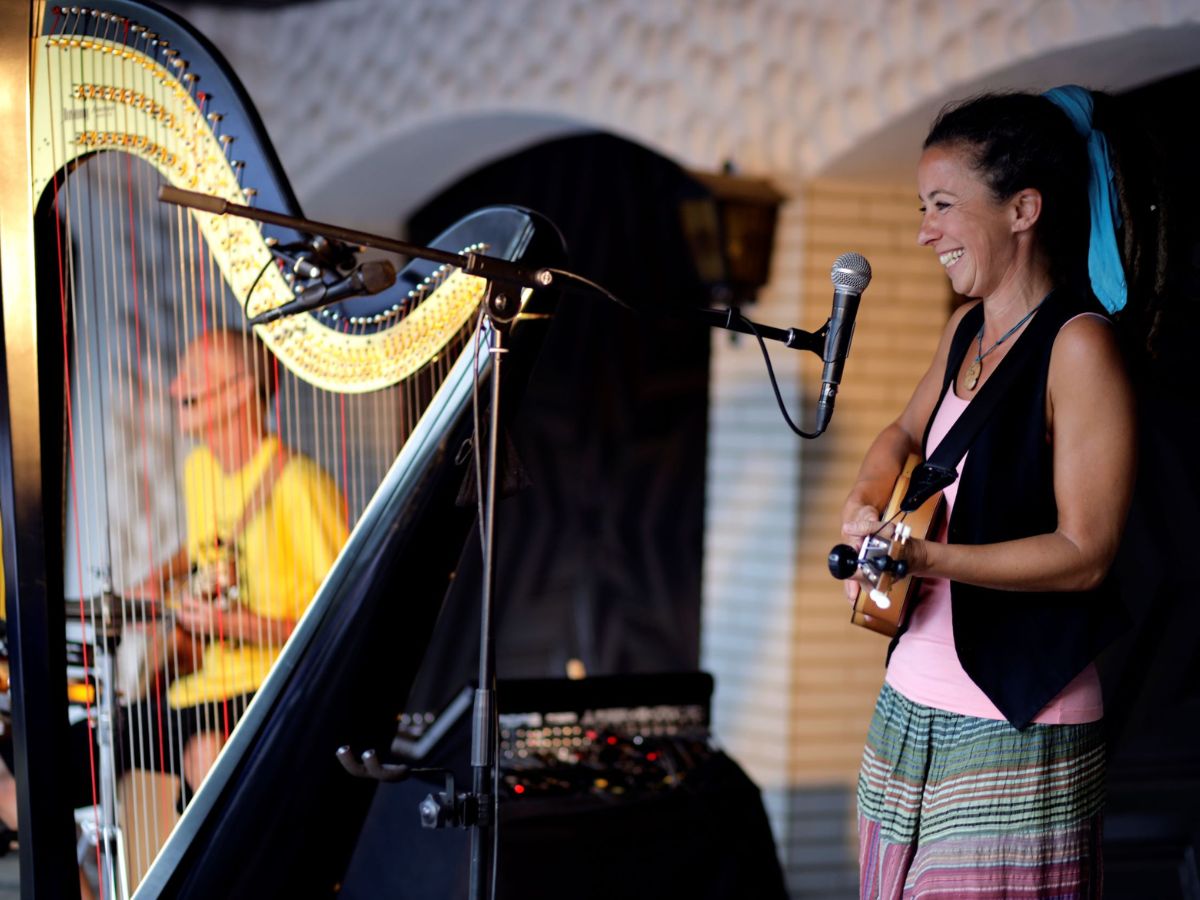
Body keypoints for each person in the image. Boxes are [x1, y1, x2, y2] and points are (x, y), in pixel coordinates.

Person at [841, 88, 1136, 898]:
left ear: (1022, 209)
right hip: (907, 705)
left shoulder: (1080, 347)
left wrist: (930, 555)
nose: (923, 231)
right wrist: (865, 503)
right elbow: (901, 435)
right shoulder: (966, 330)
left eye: (942, 205)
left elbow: (1085, 555)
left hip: (1016, 716)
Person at [124, 328, 350, 792]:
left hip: (264, 692)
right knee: (30, 763)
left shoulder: (300, 485)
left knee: (208, 757)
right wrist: (156, 579)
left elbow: (337, 626)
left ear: (242, 391)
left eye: (194, 374)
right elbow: (203, 543)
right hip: (198, 685)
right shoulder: (199, 469)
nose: (175, 387)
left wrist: (233, 625)